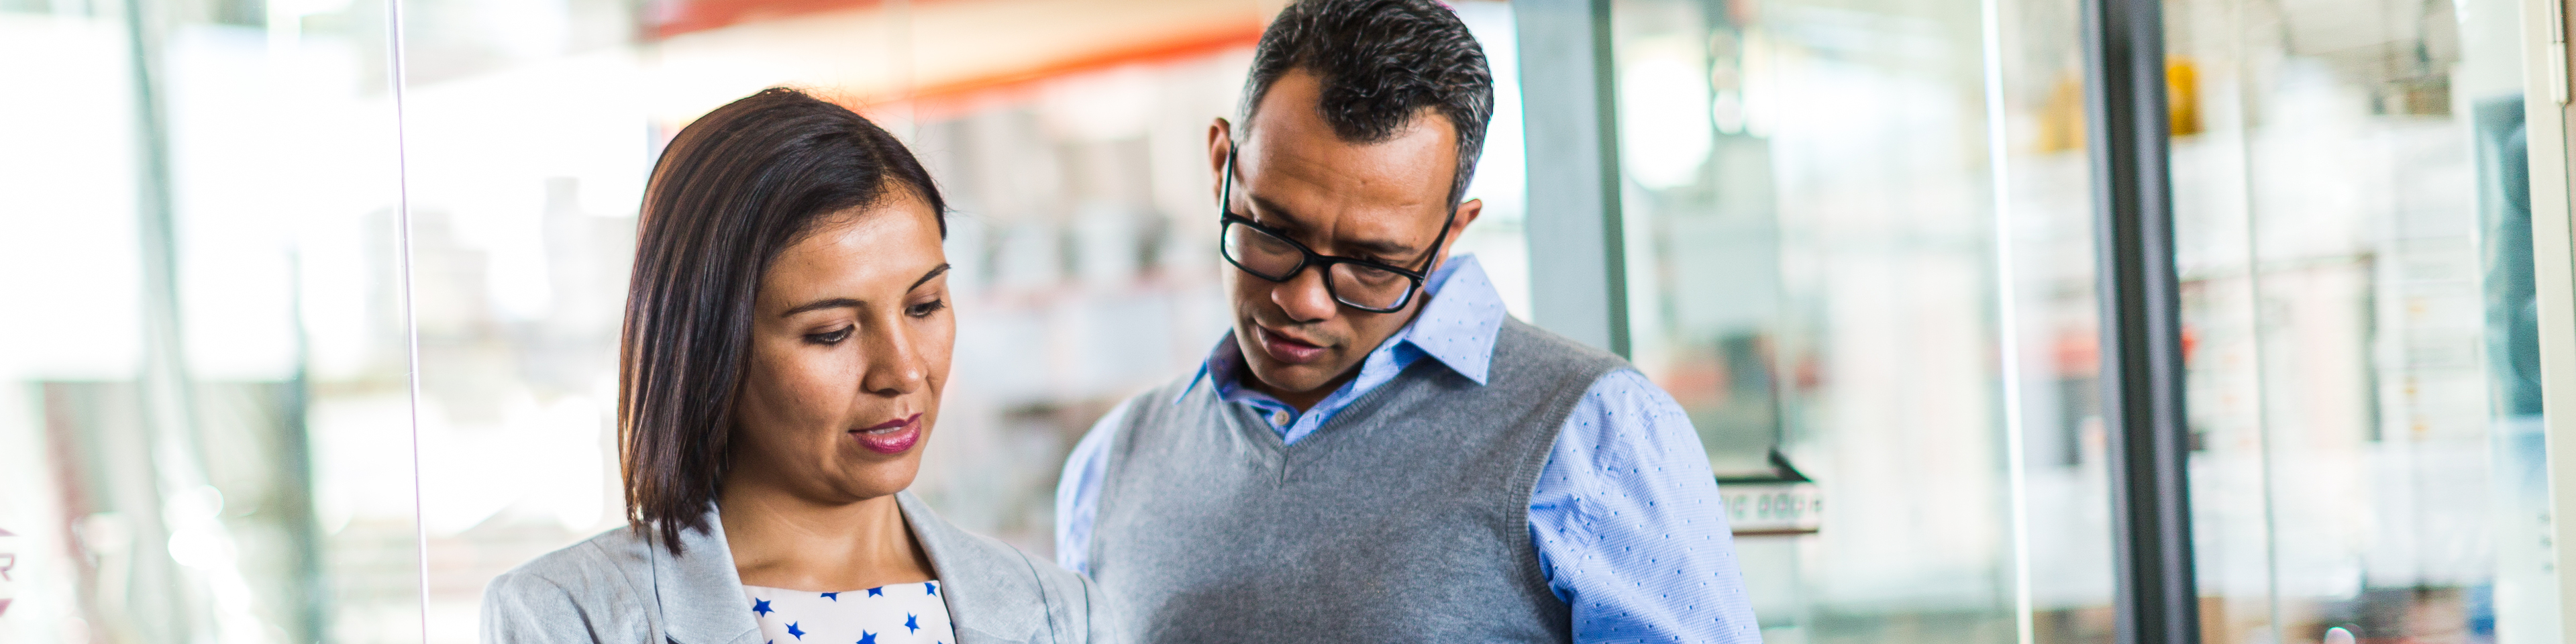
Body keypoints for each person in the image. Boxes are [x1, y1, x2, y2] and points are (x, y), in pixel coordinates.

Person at [1051, 1, 1763, 642]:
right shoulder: (1111, 464)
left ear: (1450, 233)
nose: (1304, 300)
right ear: (1220, 166)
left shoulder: (1594, 436)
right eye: (1271, 231)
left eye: (1371, 262)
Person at [484, 88, 1118, 644]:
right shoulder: (569, 618)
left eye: (924, 306)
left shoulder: (1060, 612)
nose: (902, 371)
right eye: (832, 333)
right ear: (710, 346)